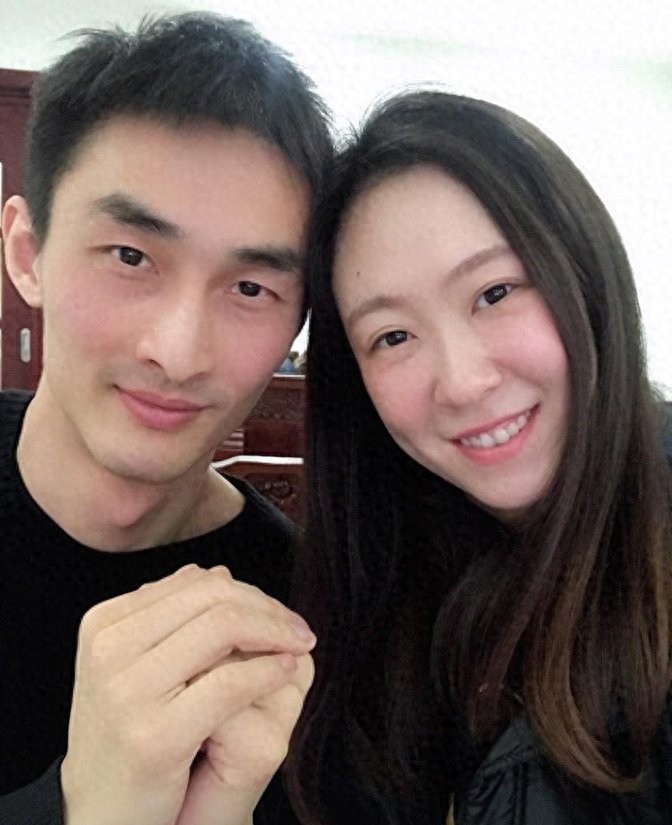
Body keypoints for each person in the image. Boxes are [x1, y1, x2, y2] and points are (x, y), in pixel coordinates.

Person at [287, 91, 672, 825]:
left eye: (494, 292)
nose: (462, 382)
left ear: (584, 275)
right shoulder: (372, 590)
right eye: (392, 337)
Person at [0, 12, 332, 825]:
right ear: (27, 254)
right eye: (131, 256)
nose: (180, 353)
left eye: (250, 288)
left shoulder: (304, 630)